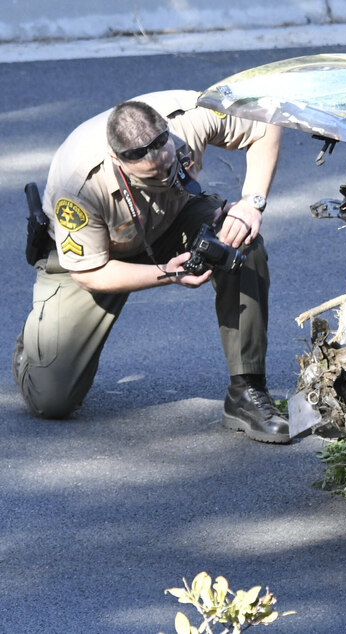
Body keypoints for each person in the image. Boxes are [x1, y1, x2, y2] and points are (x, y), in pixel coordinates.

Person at [13, 90, 292, 444]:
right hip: (94, 257)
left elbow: (266, 120)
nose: (164, 176)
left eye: (169, 166)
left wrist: (251, 203)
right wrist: (167, 273)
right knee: (51, 400)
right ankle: (33, 346)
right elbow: (88, 273)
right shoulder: (78, 184)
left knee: (241, 243)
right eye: (151, 177)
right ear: (118, 160)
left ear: (166, 130)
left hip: (172, 220)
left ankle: (246, 391)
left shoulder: (190, 116)